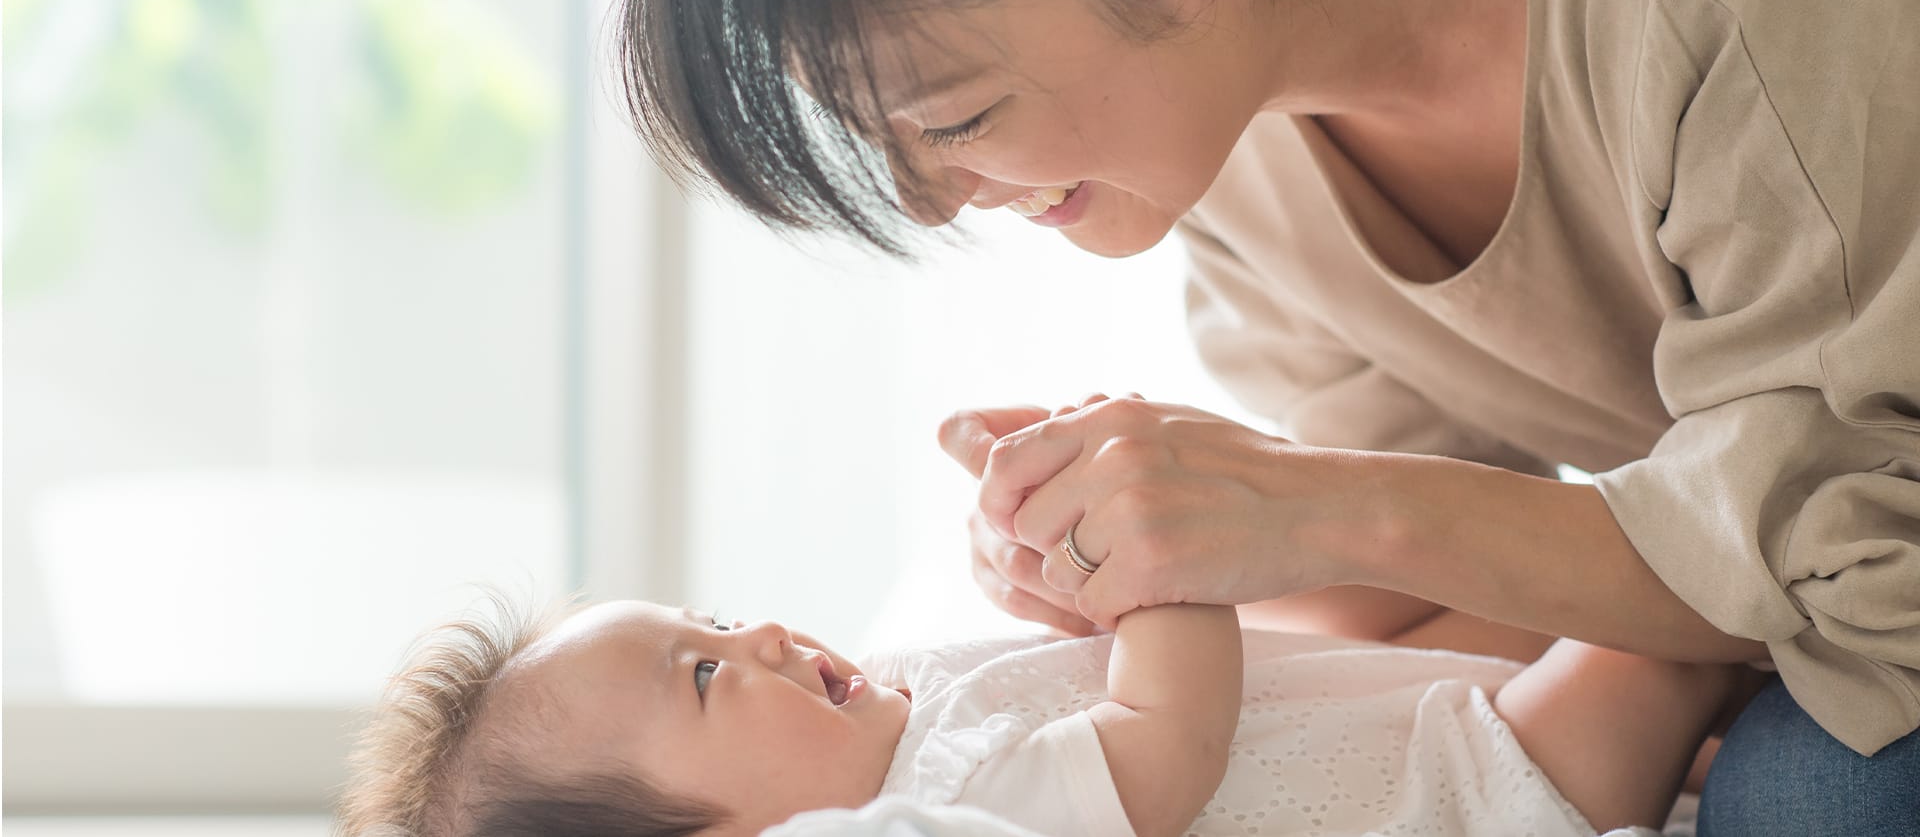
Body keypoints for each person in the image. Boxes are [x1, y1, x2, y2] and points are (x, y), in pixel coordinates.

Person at [615, 0, 1920, 832]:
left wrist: (1307, 506)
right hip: (1813, 589)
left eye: (953, 119)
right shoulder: (1243, 188)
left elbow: (1876, 575)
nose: (930, 201)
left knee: (1812, 799)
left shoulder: (1731, 24)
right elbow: (1411, 613)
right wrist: (1142, 580)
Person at [333, 590, 1740, 837]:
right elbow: (1170, 739)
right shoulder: (950, 814)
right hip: (1478, 788)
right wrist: (1146, 568)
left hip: (1412, 716)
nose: (755, 632)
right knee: (1669, 627)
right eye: (704, 675)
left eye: (716, 613)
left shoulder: (915, 702)